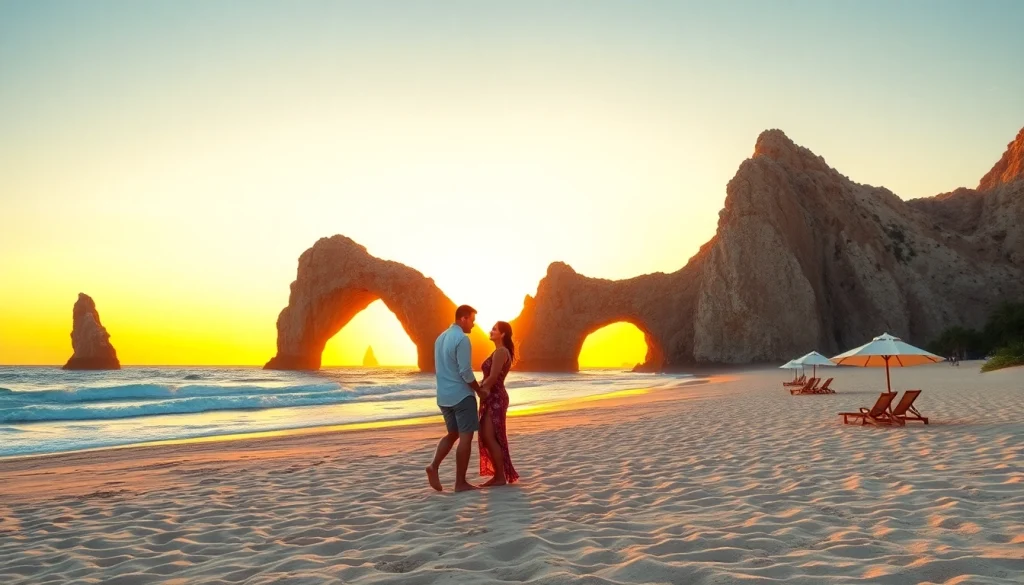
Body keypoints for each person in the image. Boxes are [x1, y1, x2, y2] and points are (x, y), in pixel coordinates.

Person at [426, 305, 482, 492]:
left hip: (444, 397)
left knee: (452, 434)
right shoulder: (462, 339)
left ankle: (433, 466)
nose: (473, 325)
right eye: (472, 320)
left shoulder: (440, 338)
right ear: (463, 318)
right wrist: (479, 390)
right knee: (465, 438)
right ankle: (460, 482)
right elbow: (465, 371)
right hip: (461, 396)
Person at [477, 321, 519, 486]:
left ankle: (500, 477)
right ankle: (498, 475)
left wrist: (479, 389)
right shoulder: (499, 351)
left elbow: (493, 377)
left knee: (489, 436)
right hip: (493, 396)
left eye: (494, 329)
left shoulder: (501, 351)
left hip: (496, 398)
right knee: (489, 436)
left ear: (502, 334)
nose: (491, 331)